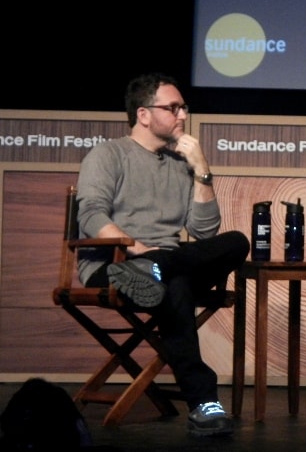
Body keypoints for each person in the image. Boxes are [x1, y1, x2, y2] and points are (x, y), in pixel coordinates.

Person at [76, 72, 250, 438]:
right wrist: (138, 252)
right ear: (143, 114)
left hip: (164, 266)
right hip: (113, 265)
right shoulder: (109, 155)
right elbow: (91, 215)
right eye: (172, 108)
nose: (182, 115)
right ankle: (203, 404)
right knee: (177, 285)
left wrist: (201, 168)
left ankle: (157, 268)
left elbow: (204, 232)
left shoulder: (180, 165)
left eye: (183, 107)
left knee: (236, 242)